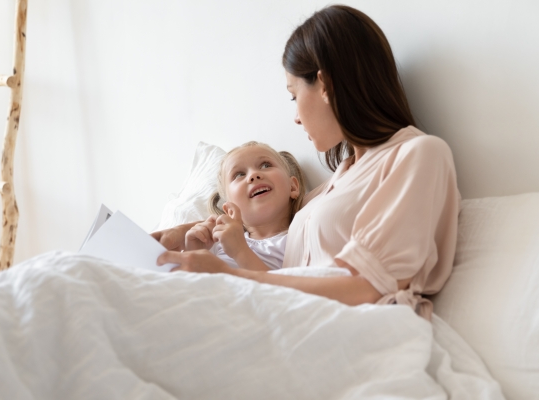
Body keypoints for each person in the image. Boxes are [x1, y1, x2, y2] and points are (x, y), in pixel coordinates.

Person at [152, 5, 460, 320]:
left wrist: (229, 276)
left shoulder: (419, 154)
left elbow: (369, 288)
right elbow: (268, 226)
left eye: (293, 95)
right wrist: (183, 231)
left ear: (324, 86)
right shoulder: (336, 182)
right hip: (288, 319)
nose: (296, 118)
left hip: (347, 326)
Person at [185, 141, 307, 271]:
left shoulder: (302, 238)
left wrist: (240, 251)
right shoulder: (217, 243)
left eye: (266, 165)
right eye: (239, 175)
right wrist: (195, 253)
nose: (253, 175)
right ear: (229, 210)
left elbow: (287, 289)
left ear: (292, 187)